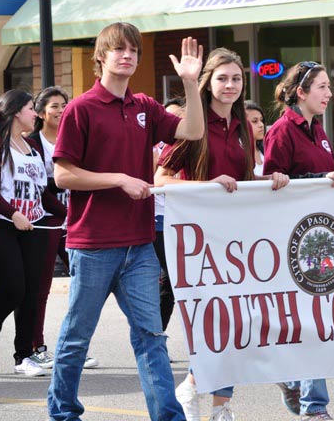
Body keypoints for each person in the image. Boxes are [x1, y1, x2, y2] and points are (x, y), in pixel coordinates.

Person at [46, 23, 205, 421]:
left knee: (152, 338)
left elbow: (193, 130)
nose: (127, 55)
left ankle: (168, 417)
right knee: (76, 338)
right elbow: (63, 175)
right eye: (118, 49)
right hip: (92, 244)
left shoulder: (145, 107)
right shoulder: (81, 108)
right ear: (101, 56)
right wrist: (118, 179)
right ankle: (63, 413)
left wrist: (190, 84)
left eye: (133, 49)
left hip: (139, 246)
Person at [155, 47, 289, 421]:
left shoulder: (245, 126)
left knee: (237, 321)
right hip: (198, 239)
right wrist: (207, 184)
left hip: (238, 240)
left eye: (236, 79)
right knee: (214, 322)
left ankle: (210, 397)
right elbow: (161, 179)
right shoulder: (192, 125)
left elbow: (244, 182)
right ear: (208, 83)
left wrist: (269, 179)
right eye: (222, 78)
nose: (230, 85)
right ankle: (207, 395)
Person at [264, 61, 334, 421]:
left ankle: (296, 382)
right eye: (322, 87)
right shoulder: (281, 131)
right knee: (309, 321)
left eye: (329, 86)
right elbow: (273, 185)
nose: (329, 94)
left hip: (320, 234)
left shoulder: (320, 130)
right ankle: (313, 403)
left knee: (317, 320)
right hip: (294, 238)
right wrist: (318, 176)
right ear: (301, 93)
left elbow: (324, 172)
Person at [0, 90, 66, 377]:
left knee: (31, 291)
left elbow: (41, 191)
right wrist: (13, 214)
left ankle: (23, 356)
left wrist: (68, 216)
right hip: (1, 225)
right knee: (13, 288)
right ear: (16, 112)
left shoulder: (32, 147)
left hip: (33, 226)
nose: (35, 114)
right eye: (30, 108)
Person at [27, 86, 98, 371]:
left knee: (86, 287)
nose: (60, 109)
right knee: (40, 287)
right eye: (54, 105)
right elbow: (40, 182)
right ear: (41, 112)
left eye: (64, 104)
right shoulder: (31, 142)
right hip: (43, 220)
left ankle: (75, 350)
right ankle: (36, 347)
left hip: (76, 219)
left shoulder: (76, 136)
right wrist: (65, 180)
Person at [153, 97, 186, 336]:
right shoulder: (155, 147)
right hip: (158, 219)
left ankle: (156, 336)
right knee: (169, 280)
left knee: (177, 283)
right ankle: (156, 335)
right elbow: (158, 179)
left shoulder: (188, 143)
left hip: (184, 219)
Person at [244, 102, 265, 175]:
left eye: (261, 120)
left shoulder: (266, 148)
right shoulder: (239, 153)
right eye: (255, 121)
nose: (261, 125)